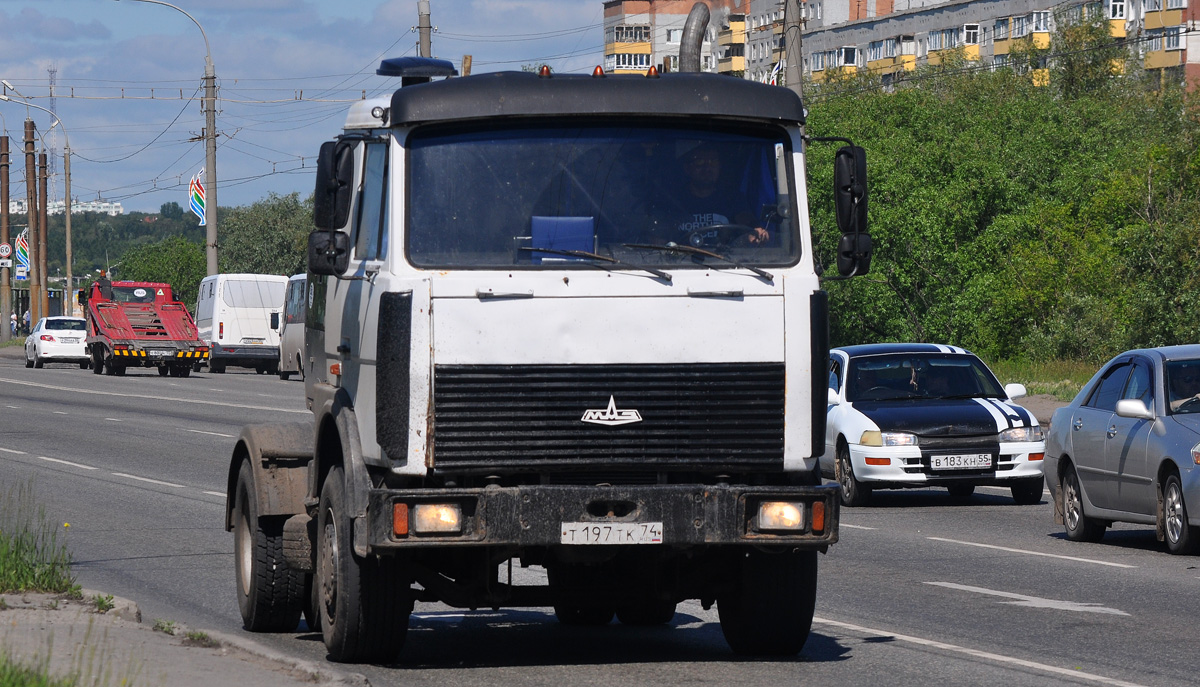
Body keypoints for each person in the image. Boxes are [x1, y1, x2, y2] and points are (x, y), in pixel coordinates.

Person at [655, 144, 768, 246]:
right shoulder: (672, 199)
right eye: (699, 162)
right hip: (678, 263)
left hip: (725, 261)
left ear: (719, 167)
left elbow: (747, 221)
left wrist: (755, 231)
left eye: (713, 162)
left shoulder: (732, 198)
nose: (707, 168)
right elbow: (659, 234)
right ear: (687, 168)